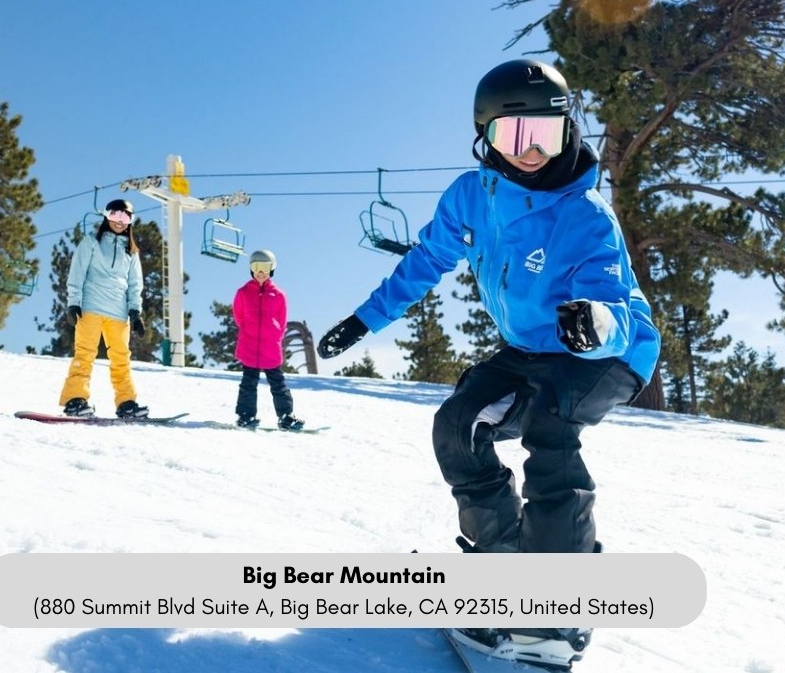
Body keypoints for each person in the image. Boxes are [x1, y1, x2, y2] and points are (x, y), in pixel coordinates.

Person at [316, 58, 660, 669]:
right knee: (457, 424)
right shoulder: (472, 197)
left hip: (607, 350)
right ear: (487, 137)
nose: (530, 153)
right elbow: (423, 262)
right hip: (530, 348)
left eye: (544, 136)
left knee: (551, 431)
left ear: (566, 130)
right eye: (512, 136)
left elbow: (615, 302)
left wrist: (594, 323)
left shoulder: (585, 214)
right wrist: (365, 320)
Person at [58, 198, 150, 419]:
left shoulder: (132, 251)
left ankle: (126, 402)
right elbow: (77, 272)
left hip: (118, 312)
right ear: (107, 216)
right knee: (85, 353)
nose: (119, 221)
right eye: (115, 215)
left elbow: (135, 283)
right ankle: (75, 399)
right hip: (90, 306)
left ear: (130, 221)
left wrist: (135, 312)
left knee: (121, 358)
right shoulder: (90, 242)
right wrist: (74, 302)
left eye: (125, 217)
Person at [232, 249, 305, 431]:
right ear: (251, 268)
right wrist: (249, 331)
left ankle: (286, 416)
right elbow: (238, 316)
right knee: (248, 383)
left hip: (270, 347)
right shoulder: (243, 292)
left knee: (278, 384)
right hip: (249, 346)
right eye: (256, 267)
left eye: (265, 267)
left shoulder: (278, 295)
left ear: (272, 269)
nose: (261, 271)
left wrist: (273, 337)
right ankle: (246, 416)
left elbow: (281, 321)